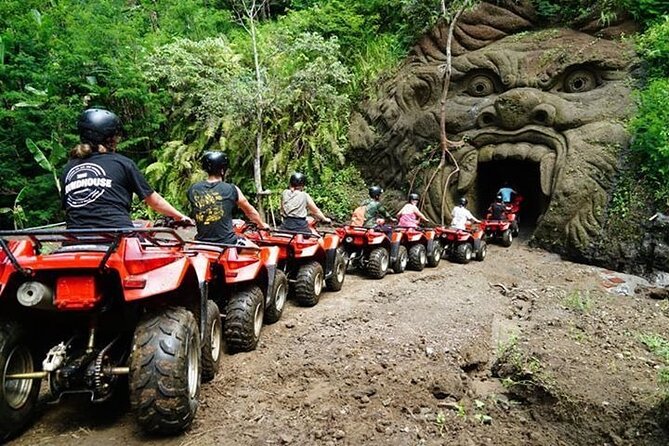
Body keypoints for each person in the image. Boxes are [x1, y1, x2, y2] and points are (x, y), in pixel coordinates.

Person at [61, 108, 192, 229]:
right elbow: (154, 201)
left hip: (75, 238)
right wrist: (179, 216)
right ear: (110, 139)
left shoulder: (68, 169)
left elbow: (68, 207)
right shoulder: (122, 163)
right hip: (117, 237)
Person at [187, 151, 268, 245]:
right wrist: (262, 225)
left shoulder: (193, 189)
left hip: (201, 242)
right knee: (258, 252)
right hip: (227, 242)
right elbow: (250, 212)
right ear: (222, 170)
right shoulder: (232, 189)